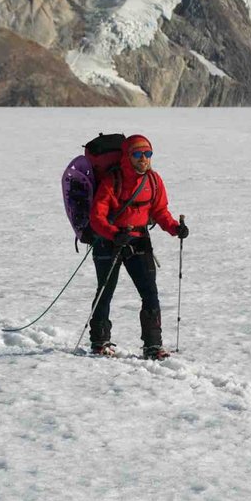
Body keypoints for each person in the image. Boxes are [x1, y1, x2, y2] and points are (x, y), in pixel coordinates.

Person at [87, 133, 186, 359]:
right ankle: (99, 341)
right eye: (138, 154)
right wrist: (114, 234)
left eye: (148, 154)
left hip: (138, 240)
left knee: (149, 292)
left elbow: (160, 211)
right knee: (106, 290)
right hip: (109, 242)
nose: (144, 159)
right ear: (127, 156)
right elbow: (97, 217)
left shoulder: (153, 181)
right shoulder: (113, 181)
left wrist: (174, 228)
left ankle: (153, 345)